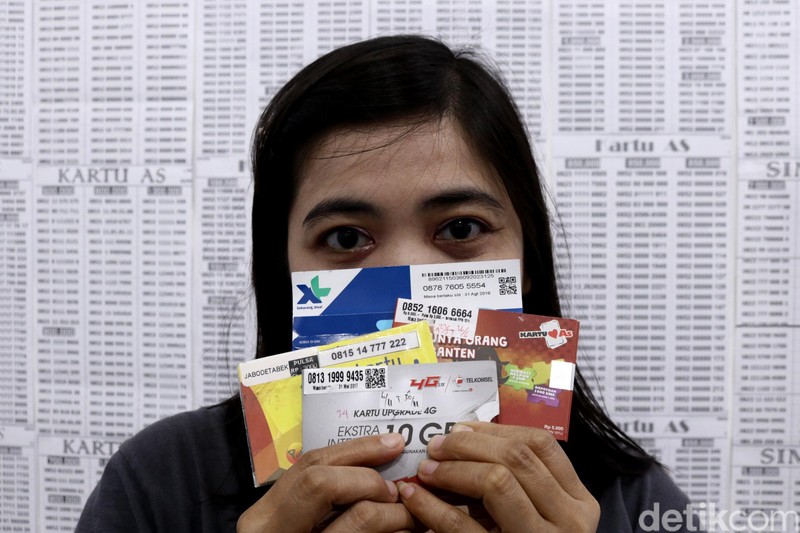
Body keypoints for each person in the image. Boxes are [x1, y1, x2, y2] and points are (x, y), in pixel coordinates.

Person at [77, 34, 701, 532]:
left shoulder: (636, 501)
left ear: (526, 261)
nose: (409, 288)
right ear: (283, 271)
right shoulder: (158, 482)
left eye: (460, 228)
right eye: (346, 238)